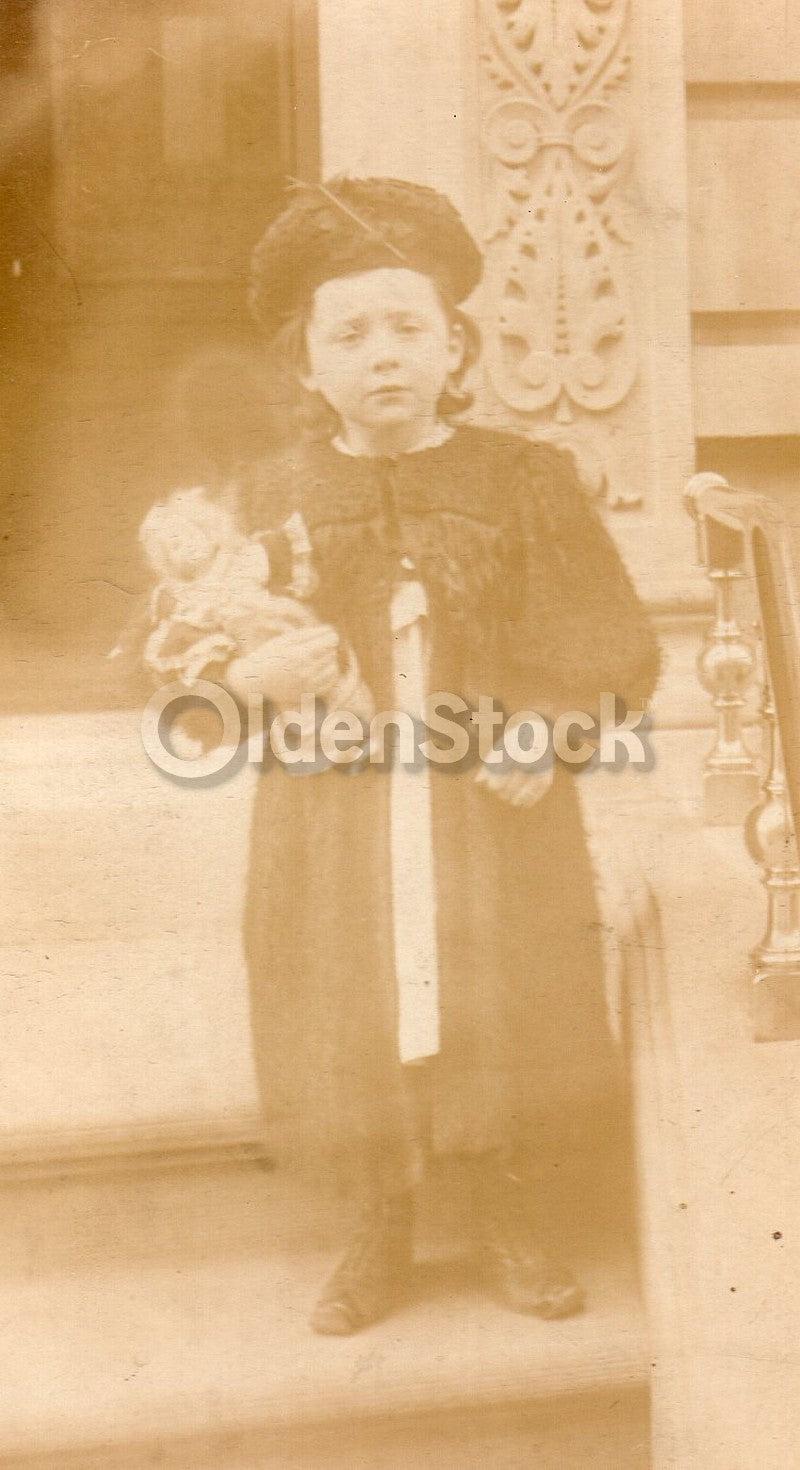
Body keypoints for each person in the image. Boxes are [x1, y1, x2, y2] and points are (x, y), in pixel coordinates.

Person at [137, 176, 661, 1335]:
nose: (384, 354)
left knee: (495, 989)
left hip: (487, 808)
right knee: (352, 994)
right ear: (306, 363)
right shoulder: (265, 499)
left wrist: (553, 724)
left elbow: (614, 646)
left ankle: (505, 1209)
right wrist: (241, 682)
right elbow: (178, 662)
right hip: (336, 816)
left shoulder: (522, 480)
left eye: (409, 326)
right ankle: (379, 1223)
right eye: (350, 332)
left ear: (453, 345)